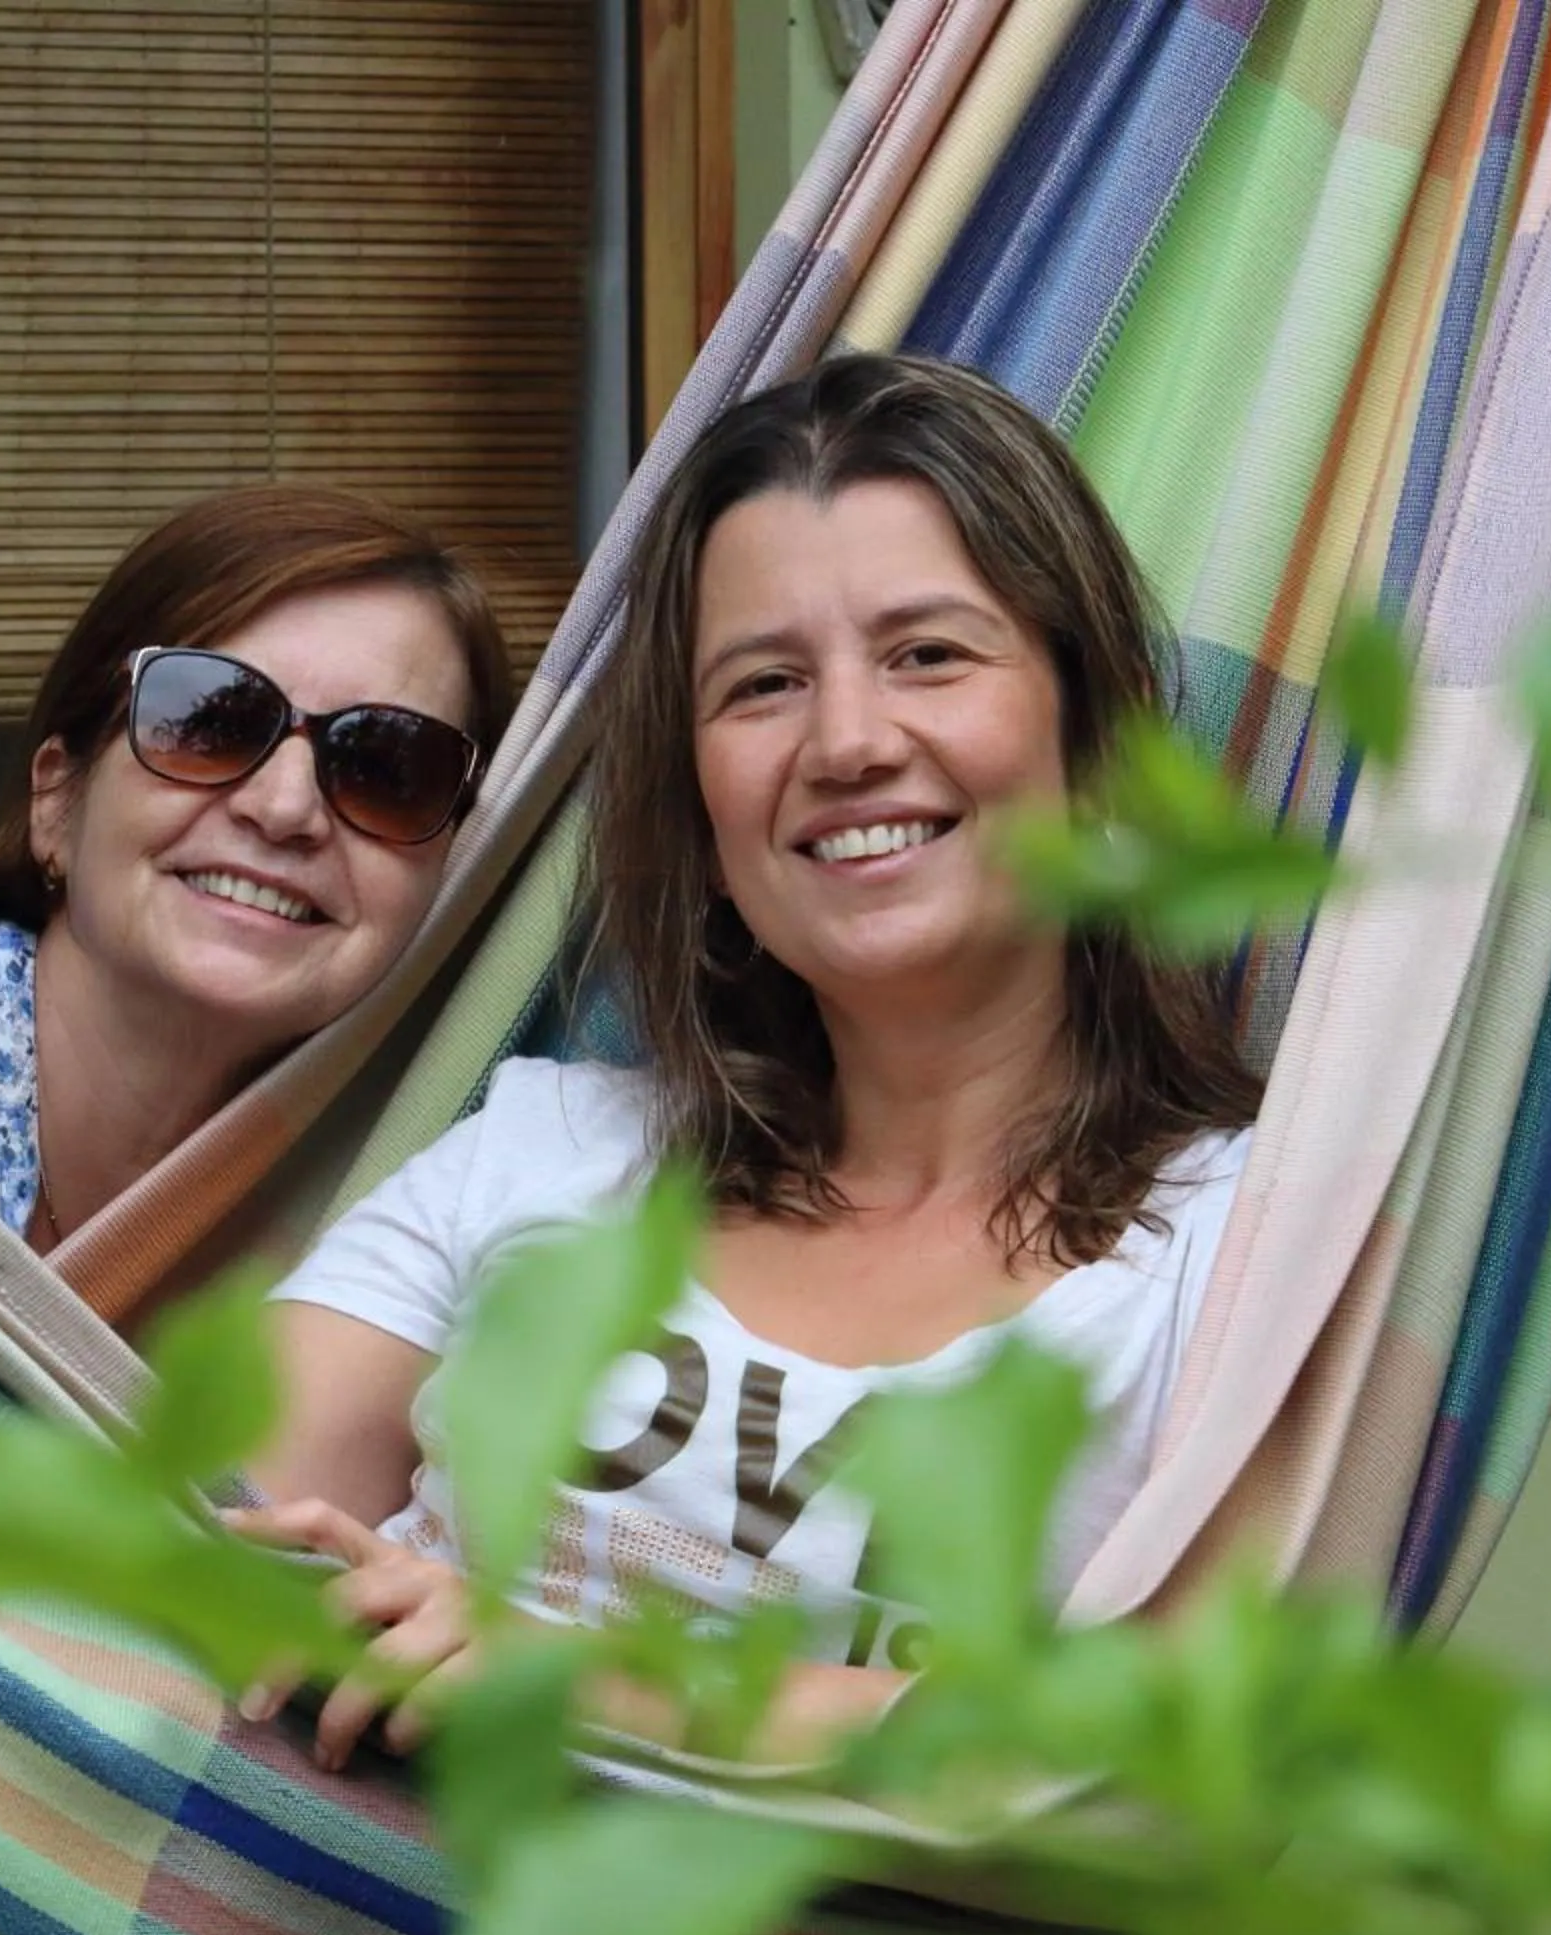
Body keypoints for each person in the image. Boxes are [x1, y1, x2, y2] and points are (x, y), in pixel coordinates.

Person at [236, 353, 1264, 1771]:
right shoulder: (542, 1150)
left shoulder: (1243, 1255)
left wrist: (583, 1682)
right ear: (704, 813)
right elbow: (203, 1544)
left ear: (1091, 746)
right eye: (764, 683)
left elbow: (1186, 1757)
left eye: (929, 655)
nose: (846, 741)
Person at [0, 486, 514, 1252]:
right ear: (58, 797)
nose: (283, 809)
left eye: (385, 766)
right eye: (211, 722)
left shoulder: (446, 1187)